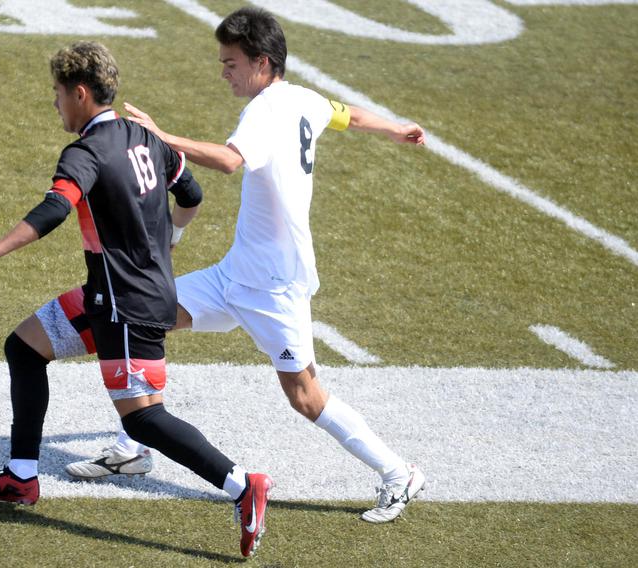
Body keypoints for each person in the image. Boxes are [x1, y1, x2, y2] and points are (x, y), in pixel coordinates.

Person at [64, 7, 427, 524]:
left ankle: (399, 473)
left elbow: (230, 161)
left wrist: (159, 136)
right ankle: (136, 442)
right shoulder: (303, 98)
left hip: (275, 286)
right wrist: (394, 129)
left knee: (305, 395)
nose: (224, 71)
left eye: (231, 62)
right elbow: (346, 114)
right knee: (146, 317)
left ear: (261, 62)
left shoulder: (266, 110)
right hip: (237, 273)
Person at [0, 41, 272, 558]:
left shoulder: (85, 152)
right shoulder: (145, 136)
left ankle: (241, 485)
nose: (55, 105)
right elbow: (191, 195)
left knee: (142, 419)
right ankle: (22, 476)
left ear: (79, 93)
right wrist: (170, 243)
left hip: (125, 305)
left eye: (57, 94)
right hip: (116, 293)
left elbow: (55, 209)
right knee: (24, 347)